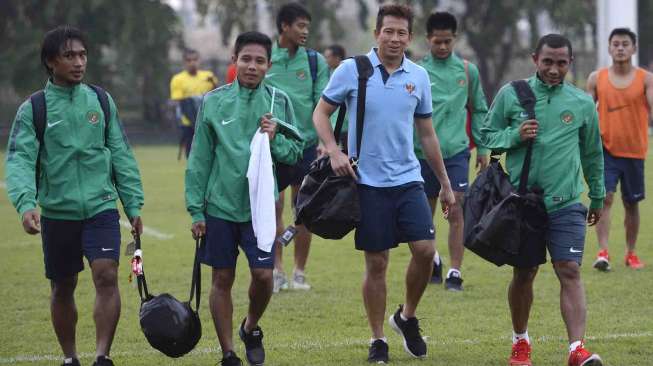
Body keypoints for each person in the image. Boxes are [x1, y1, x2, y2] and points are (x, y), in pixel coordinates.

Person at [313, 5, 455, 363]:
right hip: (366, 182)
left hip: (408, 178)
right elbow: (321, 113)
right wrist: (333, 151)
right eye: (388, 31)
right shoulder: (352, 70)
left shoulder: (419, 76)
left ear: (410, 37)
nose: (394, 39)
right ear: (377, 33)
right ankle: (378, 339)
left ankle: (406, 316)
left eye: (401, 33)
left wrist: (445, 183)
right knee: (377, 264)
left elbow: (427, 134)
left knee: (425, 251)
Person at [4, 26, 144, 366]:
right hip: (58, 213)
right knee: (63, 287)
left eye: (82, 55)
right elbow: (20, 160)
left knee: (107, 275)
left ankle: (102, 356)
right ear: (51, 62)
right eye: (69, 56)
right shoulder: (34, 109)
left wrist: (133, 204)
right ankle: (70, 357)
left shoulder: (100, 101)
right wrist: (26, 205)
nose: (79, 62)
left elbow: (121, 155)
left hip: (101, 208)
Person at [482, 34, 605, 366]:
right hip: (524, 205)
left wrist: (597, 195)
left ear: (571, 63)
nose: (554, 69)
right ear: (535, 58)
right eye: (548, 61)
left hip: (566, 203)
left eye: (561, 63)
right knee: (525, 273)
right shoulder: (512, 94)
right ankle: (520, 341)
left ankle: (576, 349)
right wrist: (514, 136)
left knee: (570, 270)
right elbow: (485, 135)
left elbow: (593, 153)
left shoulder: (581, 103)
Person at [185, 31, 303, 366]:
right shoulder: (214, 102)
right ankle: (228, 353)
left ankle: (250, 327)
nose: (252, 66)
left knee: (264, 277)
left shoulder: (279, 102)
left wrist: (276, 135)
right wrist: (196, 210)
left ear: (269, 65)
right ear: (234, 61)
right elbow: (200, 159)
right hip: (220, 207)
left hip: (261, 208)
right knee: (221, 278)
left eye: (260, 61)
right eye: (245, 59)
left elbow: (295, 152)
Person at [416, 11, 489, 290]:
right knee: (425, 212)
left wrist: (482, 147)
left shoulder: (468, 71)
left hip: (457, 151)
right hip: (422, 153)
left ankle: (455, 272)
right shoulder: (418, 71)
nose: (443, 47)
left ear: (454, 39)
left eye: (448, 41)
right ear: (428, 40)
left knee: (457, 208)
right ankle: (432, 257)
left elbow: (479, 108)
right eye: (438, 42)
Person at [265, 2, 329, 292]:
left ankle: (299, 272)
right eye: (300, 26)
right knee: (273, 209)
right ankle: (276, 270)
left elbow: (325, 105)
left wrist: (325, 143)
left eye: (307, 26)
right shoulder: (266, 60)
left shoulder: (315, 62)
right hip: (272, 147)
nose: (305, 32)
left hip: (305, 148)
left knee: (303, 211)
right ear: (284, 27)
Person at [586, 28, 653, 271]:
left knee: (631, 204)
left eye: (625, 44)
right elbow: (586, 113)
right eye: (616, 44)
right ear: (609, 47)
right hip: (606, 149)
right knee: (604, 197)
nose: (621, 48)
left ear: (634, 48)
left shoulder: (646, 79)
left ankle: (631, 253)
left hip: (635, 151)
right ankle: (602, 252)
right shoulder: (597, 78)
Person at [170, 49, 218, 159]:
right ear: (184, 62)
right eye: (188, 60)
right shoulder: (178, 79)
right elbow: (178, 102)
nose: (192, 63)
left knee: (210, 153)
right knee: (192, 155)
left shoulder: (208, 76)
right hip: (188, 123)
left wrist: (214, 83)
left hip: (207, 121)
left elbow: (217, 96)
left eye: (195, 59)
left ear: (199, 61)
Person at [324, 44, 348, 150]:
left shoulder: (348, 73)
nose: (326, 60)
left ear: (337, 58)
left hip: (346, 125)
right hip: (332, 125)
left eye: (328, 57)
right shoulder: (327, 74)